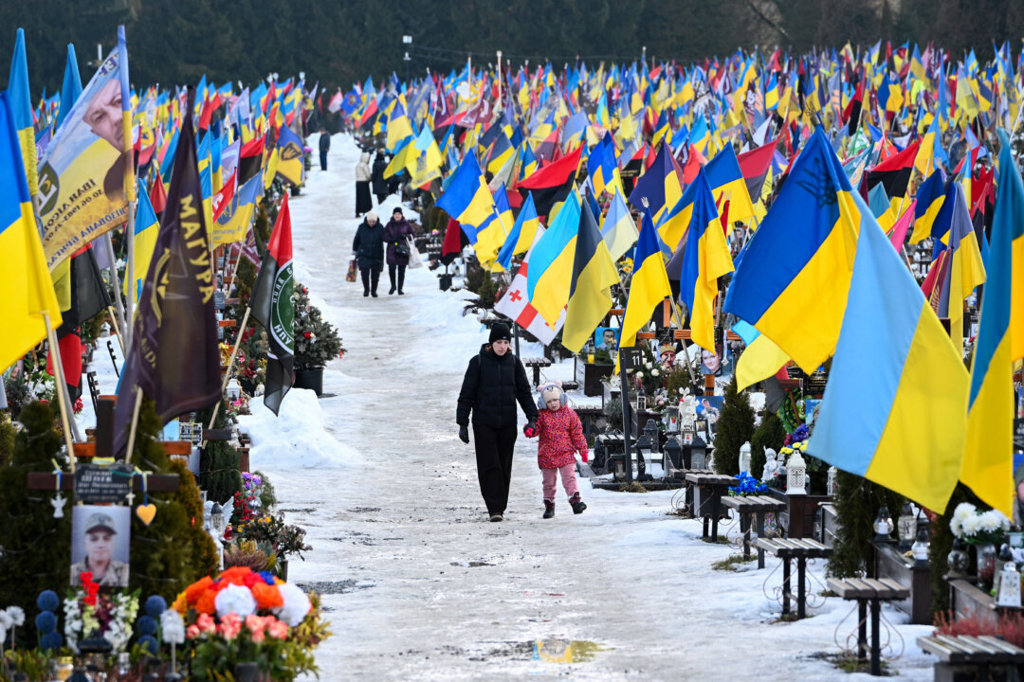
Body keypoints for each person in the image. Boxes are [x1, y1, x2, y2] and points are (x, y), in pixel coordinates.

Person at [456, 322, 538, 522]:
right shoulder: (478, 363)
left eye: (505, 342)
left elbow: (524, 392)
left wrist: (533, 417)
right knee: (489, 464)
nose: (502, 346)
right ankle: (494, 508)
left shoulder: (514, 363)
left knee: (503, 464)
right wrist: (462, 423)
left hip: (507, 422)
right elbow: (466, 394)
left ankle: (500, 504)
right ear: (491, 343)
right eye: (498, 342)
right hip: (484, 422)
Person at [531, 383, 588, 519]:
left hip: (565, 453)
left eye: (555, 400)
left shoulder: (569, 414)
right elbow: (535, 430)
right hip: (547, 455)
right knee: (549, 483)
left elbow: (577, 433)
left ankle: (575, 502)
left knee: (569, 478)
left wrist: (583, 449)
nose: (553, 404)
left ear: (561, 399)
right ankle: (549, 505)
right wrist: (530, 429)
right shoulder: (542, 416)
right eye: (549, 401)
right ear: (543, 403)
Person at [70, 512, 129, 587]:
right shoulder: (73, 572)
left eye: (107, 539)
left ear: (113, 544)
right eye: (94, 539)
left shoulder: (124, 571)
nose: (100, 545)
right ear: (85, 544)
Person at [383, 207, 414, 295]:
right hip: (392, 250)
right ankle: (393, 286)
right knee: (392, 269)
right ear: (393, 215)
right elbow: (383, 236)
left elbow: (412, 234)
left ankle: (400, 288)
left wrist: (406, 236)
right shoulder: (389, 224)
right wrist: (392, 239)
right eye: (395, 214)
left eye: (398, 214)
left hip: (403, 250)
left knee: (401, 270)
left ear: (401, 215)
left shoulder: (406, 224)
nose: (397, 216)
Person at [352, 211, 384, 297]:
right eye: (370, 221)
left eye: (373, 222)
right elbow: (356, 239)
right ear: (367, 220)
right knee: (364, 273)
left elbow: (385, 238)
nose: (371, 223)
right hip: (364, 254)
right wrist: (355, 251)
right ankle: (366, 289)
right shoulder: (362, 227)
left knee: (375, 276)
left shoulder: (380, 228)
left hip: (376, 254)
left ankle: (374, 291)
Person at [355, 151, 372, 217]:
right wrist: (370, 178)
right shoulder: (364, 165)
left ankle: (358, 211)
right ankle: (365, 210)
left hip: (358, 182)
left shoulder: (358, 165)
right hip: (364, 182)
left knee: (359, 198)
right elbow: (367, 174)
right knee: (365, 198)